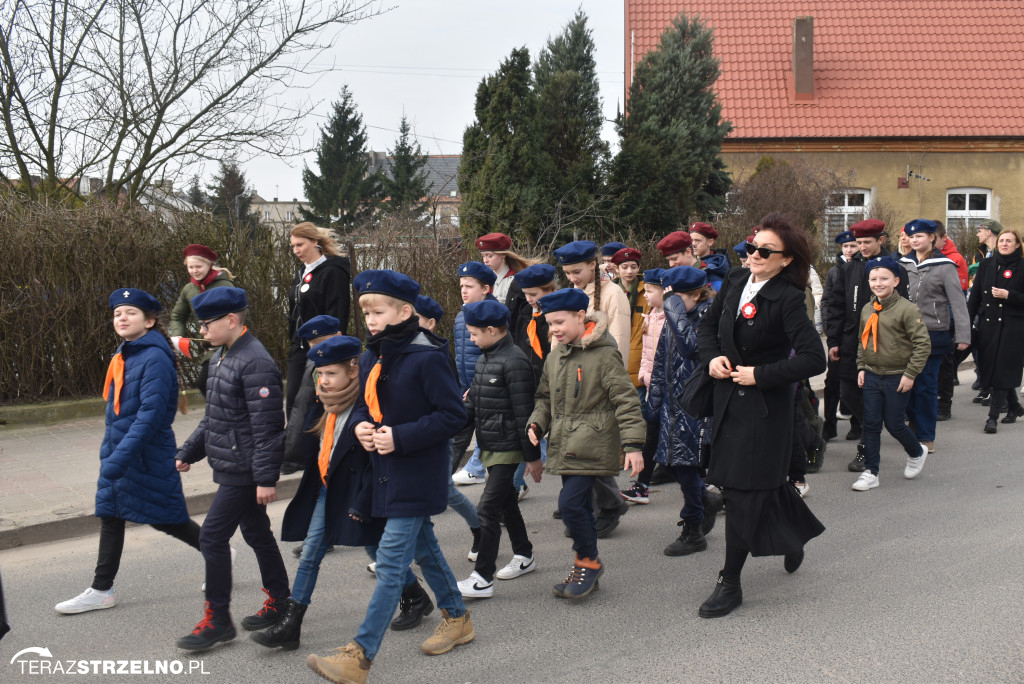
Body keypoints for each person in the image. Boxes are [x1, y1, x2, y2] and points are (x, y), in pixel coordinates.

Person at [305, 270, 473, 684]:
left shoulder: (427, 356)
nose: (371, 320)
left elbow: (454, 416)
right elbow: (366, 403)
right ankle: (458, 617)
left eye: (378, 311)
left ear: (405, 311)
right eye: (366, 314)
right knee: (425, 548)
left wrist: (400, 436)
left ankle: (359, 657)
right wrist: (361, 425)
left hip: (417, 473)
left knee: (391, 564)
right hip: (384, 473)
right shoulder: (372, 355)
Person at [696, 213, 826, 619]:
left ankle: (729, 583)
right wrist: (712, 358)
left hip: (765, 411)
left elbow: (812, 358)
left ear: (786, 260)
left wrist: (762, 375)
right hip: (727, 402)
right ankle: (791, 539)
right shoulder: (736, 280)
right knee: (756, 485)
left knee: (740, 493)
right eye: (752, 246)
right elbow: (708, 328)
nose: (754, 254)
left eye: (764, 251)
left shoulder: (787, 298)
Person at [55, 289, 201, 615]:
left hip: (143, 453)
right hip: (123, 450)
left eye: (130, 313)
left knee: (167, 518)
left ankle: (217, 552)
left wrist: (118, 457)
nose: (121, 318)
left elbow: (150, 416)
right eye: (118, 313)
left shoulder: (154, 357)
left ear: (149, 321)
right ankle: (101, 589)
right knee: (112, 514)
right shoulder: (128, 353)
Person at [175, 287, 290, 652]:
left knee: (211, 538)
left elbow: (269, 428)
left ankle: (218, 620)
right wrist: (188, 452)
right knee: (257, 533)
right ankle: (280, 601)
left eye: (207, 324)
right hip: (232, 464)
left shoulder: (255, 361)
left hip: (244, 469)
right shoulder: (223, 357)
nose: (202, 332)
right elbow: (215, 417)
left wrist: (265, 478)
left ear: (231, 320)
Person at [252, 335, 384, 651]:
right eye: (320, 373)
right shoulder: (323, 403)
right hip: (328, 490)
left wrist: (365, 499)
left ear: (353, 370)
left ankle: (413, 595)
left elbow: (372, 461)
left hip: (355, 492)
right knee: (311, 553)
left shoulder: (365, 406)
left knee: (375, 550)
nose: (323, 381)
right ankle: (291, 625)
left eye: (331, 374)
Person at [527, 288, 646, 599]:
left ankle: (589, 563)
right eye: (550, 324)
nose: (554, 330)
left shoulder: (604, 354)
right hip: (566, 444)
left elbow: (626, 401)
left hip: (592, 444)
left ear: (581, 317)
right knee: (575, 506)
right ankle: (586, 563)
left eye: (559, 322)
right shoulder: (556, 356)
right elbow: (544, 398)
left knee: (569, 506)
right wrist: (537, 423)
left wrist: (633, 444)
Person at [456, 299, 543, 599]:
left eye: (474, 333)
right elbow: (472, 405)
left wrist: (531, 458)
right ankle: (524, 554)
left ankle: (482, 577)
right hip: (491, 445)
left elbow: (524, 413)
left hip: (509, 448)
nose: (471, 338)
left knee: (488, 509)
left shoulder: (514, 361)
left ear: (492, 330)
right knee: (507, 503)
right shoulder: (486, 357)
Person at [552, 240, 633, 536]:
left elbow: (619, 344)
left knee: (590, 448)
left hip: (598, 385)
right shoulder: (573, 295)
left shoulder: (613, 295)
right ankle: (585, 506)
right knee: (578, 447)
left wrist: (610, 386)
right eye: (568, 273)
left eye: (577, 271)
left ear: (592, 264)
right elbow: (558, 339)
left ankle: (608, 506)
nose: (573, 278)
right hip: (571, 383)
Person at [823, 219, 908, 471]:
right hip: (851, 339)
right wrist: (834, 340)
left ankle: (866, 447)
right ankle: (872, 424)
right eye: (858, 243)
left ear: (880, 240)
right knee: (847, 392)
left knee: (870, 394)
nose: (862, 248)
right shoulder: (849, 268)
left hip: (882, 340)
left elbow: (903, 308)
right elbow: (837, 305)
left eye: (866, 243)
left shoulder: (894, 268)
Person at [649, 266, 718, 555]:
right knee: (671, 463)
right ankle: (705, 500)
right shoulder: (674, 319)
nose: (671, 304)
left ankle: (693, 528)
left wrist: (675, 310)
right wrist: (653, 400)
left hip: (694, 403)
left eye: (677, 299)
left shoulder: (707, 316)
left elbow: (692, 348)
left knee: (687, 464)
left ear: (695, 295)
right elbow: (660, 358)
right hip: (671, 405)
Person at [851, 257, 931, 491]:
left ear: (895, 281)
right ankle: (871, 472)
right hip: (872, 374)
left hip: (898, 375)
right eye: (873, 279)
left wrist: (911, 373)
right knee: (872, 424)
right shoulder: (868, 308)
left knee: (895, 424)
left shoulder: (907, 309)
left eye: (884, 278)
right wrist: (861, 366)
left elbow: (922, 344)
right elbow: (862, 340)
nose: (878, 283)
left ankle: (916, 451)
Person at [413, 295, 481, 564]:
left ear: (430, 323)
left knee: (444, 491)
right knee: (416, 494)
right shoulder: (399, 347)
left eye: (414, 319)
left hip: (434, 435)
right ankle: (403, 551)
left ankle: (480, 530)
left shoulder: (437, 353)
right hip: (410, 434)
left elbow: (449, 403)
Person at [284, 223, 352, 473]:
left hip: (322, 345)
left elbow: (338, 311)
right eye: (293, 246)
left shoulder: (332, 271)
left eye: (300, 245)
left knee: (308, 400)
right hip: (299, 346)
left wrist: (330, 346)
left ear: (315, 242)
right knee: (292, 397)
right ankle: (293, 448)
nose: (296, 250)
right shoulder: (302, 271)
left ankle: (298, 455)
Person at [899, 220, 970, 453]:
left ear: (932, 237)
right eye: (911, 237)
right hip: (904, 334)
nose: (914, 240)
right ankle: (913, 423)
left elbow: (958, 302)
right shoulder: (903, 264)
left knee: (927, 386)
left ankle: (926, 436)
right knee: (904, 386)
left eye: (919, 236)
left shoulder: (945, 265)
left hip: (933, 333)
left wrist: (963, 335)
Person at [285, 315, 343, 559]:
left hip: (340, 421)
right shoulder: (313, 361)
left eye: (321, 341)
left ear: (338, 336)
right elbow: (303, 398)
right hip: (318, 419)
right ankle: (320, 537)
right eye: (312, 345)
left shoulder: (349, 357)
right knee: (317, 481)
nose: (317, 349)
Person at [967, 227, 1024, 434]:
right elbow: (974, 299)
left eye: (1009, 241)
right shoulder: (986, 264)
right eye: (1002, 241)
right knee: (991, 367)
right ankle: (1015, 407)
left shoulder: (1022, 266)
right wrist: (966, 325)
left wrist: (1010, 295)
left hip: (1013, 327)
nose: (1005, 244)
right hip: (988, 325)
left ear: (1017, 245)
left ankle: (992, 417)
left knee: (1002, 368)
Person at [510, 264, 559, 500]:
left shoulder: (556, 317)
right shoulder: (525, 312)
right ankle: (514, 485)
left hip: (548, 382)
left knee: (538, 434)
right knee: (526, 432)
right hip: (527, 380)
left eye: (534, 294)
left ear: (549, 290)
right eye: (526, 294)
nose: (529, 299)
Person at [621, 267, 665, 505]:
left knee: (677, 440)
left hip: (670, 390)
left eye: (650, 291)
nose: (645, 295)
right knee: (652, 437)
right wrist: (645, 376)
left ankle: (704, 487)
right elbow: (648, 354)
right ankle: (642, 486)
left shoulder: (670, 318)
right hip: (653, 387)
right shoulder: (651, 316)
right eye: (645, 290)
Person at [451, 262, 497, 486]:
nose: (463, 290)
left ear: (486, 289)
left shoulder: (494, 315)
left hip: (485, 387)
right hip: (465, 387)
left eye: (469, 286)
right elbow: (460, 354)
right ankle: (438, 481)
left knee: (487, 436)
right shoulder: (461, 316)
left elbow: (493, 355)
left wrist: (478, 383)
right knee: (458, 433)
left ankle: (512, 482)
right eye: (461, 285)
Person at [169, 244, 235, 397]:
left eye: (198, 266)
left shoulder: (224, 286)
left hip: (227, 345)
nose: (194, 271)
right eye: (190, 267)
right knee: (206, 385)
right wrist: (177, 335)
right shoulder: (189, 289)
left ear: (209, 264)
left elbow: (239, 316)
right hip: (207, 346)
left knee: (213, 384)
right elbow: (178, 316)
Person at [820, 231, 860, 442]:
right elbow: (827, 302)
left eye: (853, 246)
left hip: (854, 335)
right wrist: (829, 328)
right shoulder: (835, 271)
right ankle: (829, 425)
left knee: (853, 383)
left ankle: (857, 423)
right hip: (837, 333)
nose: (849, 250)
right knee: (832, 382)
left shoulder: (862, 269)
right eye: (845, 247)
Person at [474, 232, 537, 354]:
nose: (485, 260)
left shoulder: (516, 281)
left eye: (489, 256)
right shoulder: (484, 280)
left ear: (503, 255)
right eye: (483, 256)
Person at [935, 222, 970, 421]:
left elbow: (957, 297)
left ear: (942, 238)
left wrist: (950, 325)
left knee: (945, 364)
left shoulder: (954, 259)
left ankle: (944, 403)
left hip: (944, 321)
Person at [611, 247, 648, 388]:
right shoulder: (608, 292)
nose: (629, 271)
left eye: (633, 267)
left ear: (639, 267)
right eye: (624, 267)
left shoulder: (647, 291)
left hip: (639, 361)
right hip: (614, 357)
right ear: (616, 268)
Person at [689, 222, 730, 290]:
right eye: (691, 240)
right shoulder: (690, 262)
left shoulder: (715, 267)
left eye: (697, 241)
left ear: (710, 242)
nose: (693, 244)